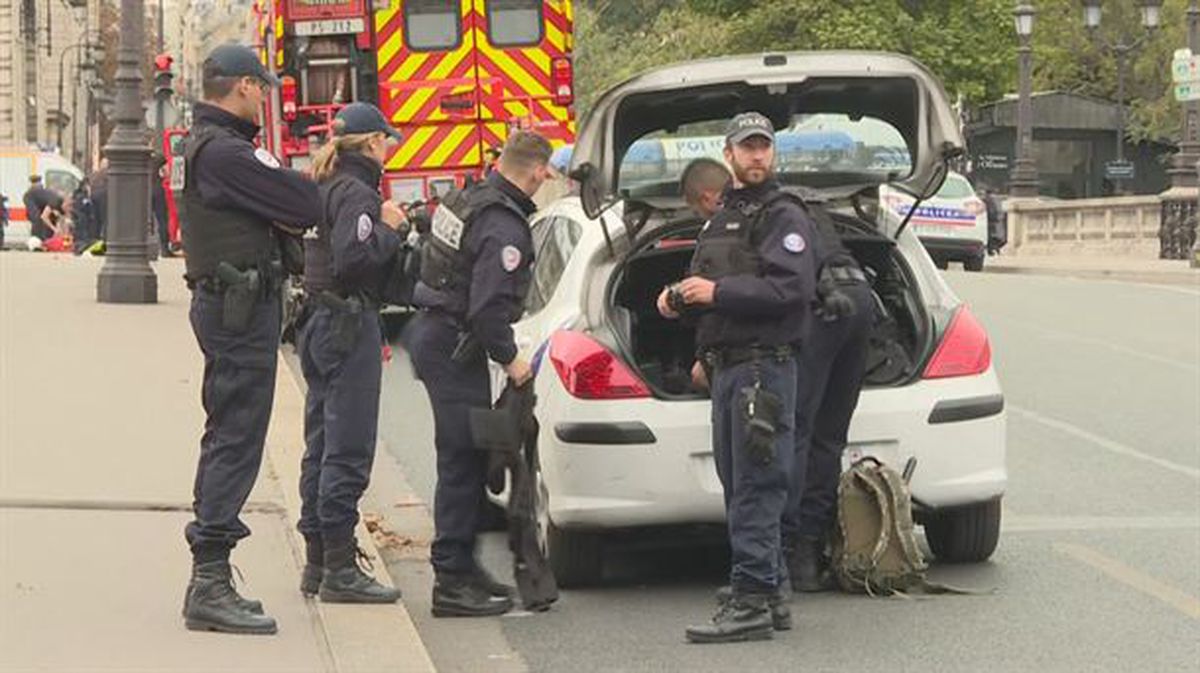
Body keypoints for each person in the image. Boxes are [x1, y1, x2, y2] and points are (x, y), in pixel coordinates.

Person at [657, 112, 817, 644]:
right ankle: (768, 591)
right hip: (729, 367)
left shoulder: (782, 214)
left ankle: (751, 600)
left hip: (761, 368)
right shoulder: (725, 215)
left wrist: (715, 294)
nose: (756, 157)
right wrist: (678, 299)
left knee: (755, 486)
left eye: (763, 148)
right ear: (728, 154)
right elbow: (713, 280)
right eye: (747, 148)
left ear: (773, 153)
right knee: (737, 482)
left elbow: (790, 291)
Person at [178, 43, 322, 635]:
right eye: (261, 86)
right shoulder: (226, 152)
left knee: (232, 432)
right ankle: (209, 580)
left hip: (235, 306)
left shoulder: (213, 148)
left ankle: (211, 576)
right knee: (236, 436)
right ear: (240, 87)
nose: (266, 95)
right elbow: (305, 201)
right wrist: (290, 194)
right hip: (238, 310)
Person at [407, 129, 553, 618]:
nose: (545, 178)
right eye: (544, 171)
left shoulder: (470, 197)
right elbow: (488, 309)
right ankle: (451, 578)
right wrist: (513, 361)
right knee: (462, 458)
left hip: (438, 337)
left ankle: (463, 567)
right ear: (536, 170)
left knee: (466, 456)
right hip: (454, 345)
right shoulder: (503, 227)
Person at [296, 102, 406, 604]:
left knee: (320, 441)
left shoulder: (324, 186)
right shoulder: (360, 193)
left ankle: (319, 559)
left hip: (318, 319)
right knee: (349, 444)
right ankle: (340, 568)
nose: (389, 150)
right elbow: (355, 258)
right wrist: (391, 229)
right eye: (386, 142)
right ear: (372, 144)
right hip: (347, 323)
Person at [781, 189, 876, 592]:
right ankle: (808, 549)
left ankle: (787, 550)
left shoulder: (764, 212)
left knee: (796, 431)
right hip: (860, 303)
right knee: (828, 435)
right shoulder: (815, 211)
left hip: (823, 309)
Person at [23, 174, 65, 246]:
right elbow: (44, 217)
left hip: (41, 205)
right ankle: (37, 241)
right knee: (37, 219)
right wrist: (55, 229)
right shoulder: (55, 200)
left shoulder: (57, 202)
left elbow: (59, 217)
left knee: (47, 218)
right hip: (33, 203)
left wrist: (58, 229)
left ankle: (45, 240)